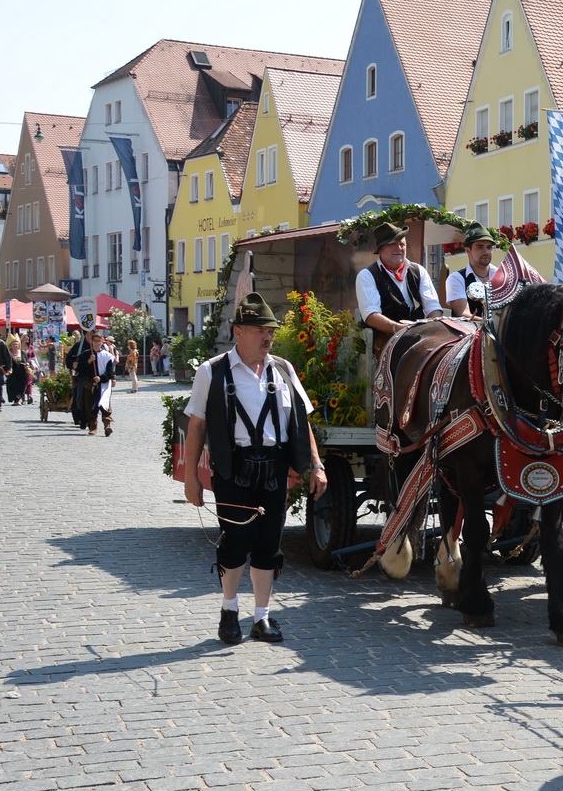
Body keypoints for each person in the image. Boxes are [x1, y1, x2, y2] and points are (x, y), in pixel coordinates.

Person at [183, 292, 326, 645]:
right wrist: (191, 479)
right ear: (238, 332)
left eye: (270, 331)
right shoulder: (211, 371)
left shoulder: (283, 369)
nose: (267, 337)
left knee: (268, 545)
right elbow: (196, 426)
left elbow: (300, 420)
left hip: (274, 468)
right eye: (260, 330)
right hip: (234, 468)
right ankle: (229, 611)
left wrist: (316, 465)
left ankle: (261, 618)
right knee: (236, 543)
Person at [355, 221, 442, 357]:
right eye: (393, 244)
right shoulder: (367, 275)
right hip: (384, 336)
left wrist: (431, 326)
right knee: (406, 354)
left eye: (402, 244)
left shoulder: (419, 270)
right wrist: (398, 328)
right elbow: (371, 316)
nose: (399, 248)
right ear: (380, 249)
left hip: (419, 333)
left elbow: (433, 306)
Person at [446, 223, 494, 317]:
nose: (486, 252)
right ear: (468, 250)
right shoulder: (456, 278)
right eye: (480, 247)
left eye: (489, 247)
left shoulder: (502, 276)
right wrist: (494, 325)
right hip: (469, 331)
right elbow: (464, 315)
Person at [84, 328, 116, 436]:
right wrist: (89, 361)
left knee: (105, 405)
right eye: (95, 341)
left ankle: (107, 425)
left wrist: (101, 378)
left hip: (104, 385)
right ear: (92, 342)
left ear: (102, 342)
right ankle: (93, 426)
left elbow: (110, 372)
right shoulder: (86, 354)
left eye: (99, 341)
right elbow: (80, 369)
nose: (97, 343)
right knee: (91, 406)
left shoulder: (107, 356)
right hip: (90, 385)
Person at [66, 329, 96, 430]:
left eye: (91, 334)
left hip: (95, 376)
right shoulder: (79, 346)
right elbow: (69, 359)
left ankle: (92, 420)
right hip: (82, 376)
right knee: (80, 399)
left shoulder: (98, 346)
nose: (89, 336)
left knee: (94, 399)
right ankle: (82, 419)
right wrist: (72, 364)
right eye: (87, 334)